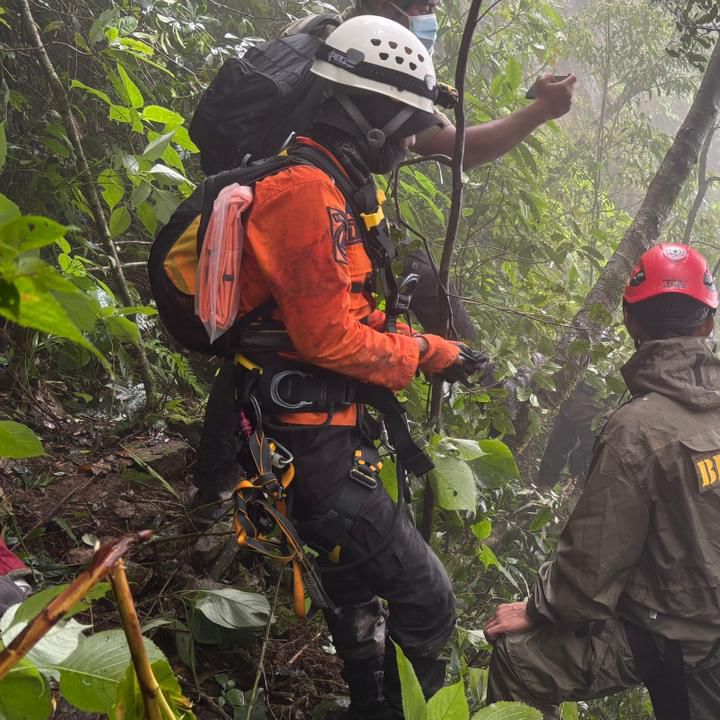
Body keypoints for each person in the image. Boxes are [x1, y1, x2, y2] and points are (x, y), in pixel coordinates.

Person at [189, 17, 481, 718]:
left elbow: (346, 314)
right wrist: (422, 353)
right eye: (406, 122)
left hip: (322, 435)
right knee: (428, 597)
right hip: (307, 444)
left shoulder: (334, 191)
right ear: (366, 110)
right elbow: (327, 341)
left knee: (351, 584)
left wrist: (435, 349)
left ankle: (370, 708)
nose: (411, 140)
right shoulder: (303, 193)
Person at [483, 243, 720, 719]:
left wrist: (537, 609)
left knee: (519, 665)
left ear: (630, 322)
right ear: (709, 323)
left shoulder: (634, 431)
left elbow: (588, 573)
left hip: (661, 634)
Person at [283, 0, 577, 170]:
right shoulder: (374, 67)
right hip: (308, 195)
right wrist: (541, 110)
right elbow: (459, 150)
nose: (430, 19)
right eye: (425, 7)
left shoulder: (313, 27)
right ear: (387, 5)